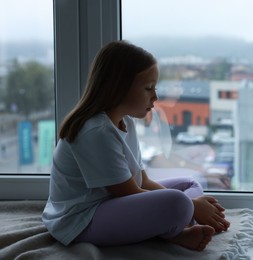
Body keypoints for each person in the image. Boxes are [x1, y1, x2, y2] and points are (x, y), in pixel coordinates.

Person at [42, 40, 230, 252]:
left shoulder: (126, 123)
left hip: (113, 203)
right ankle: (176, 228)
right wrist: (193, 207)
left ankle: (178, 221)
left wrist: (192, 206)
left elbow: (144, 181)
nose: (155, 97)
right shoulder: (96, 131)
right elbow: (128, 191)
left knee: (189, 184)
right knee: (179, 203)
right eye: (148, 88)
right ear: (118, 87)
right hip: (82, 220)